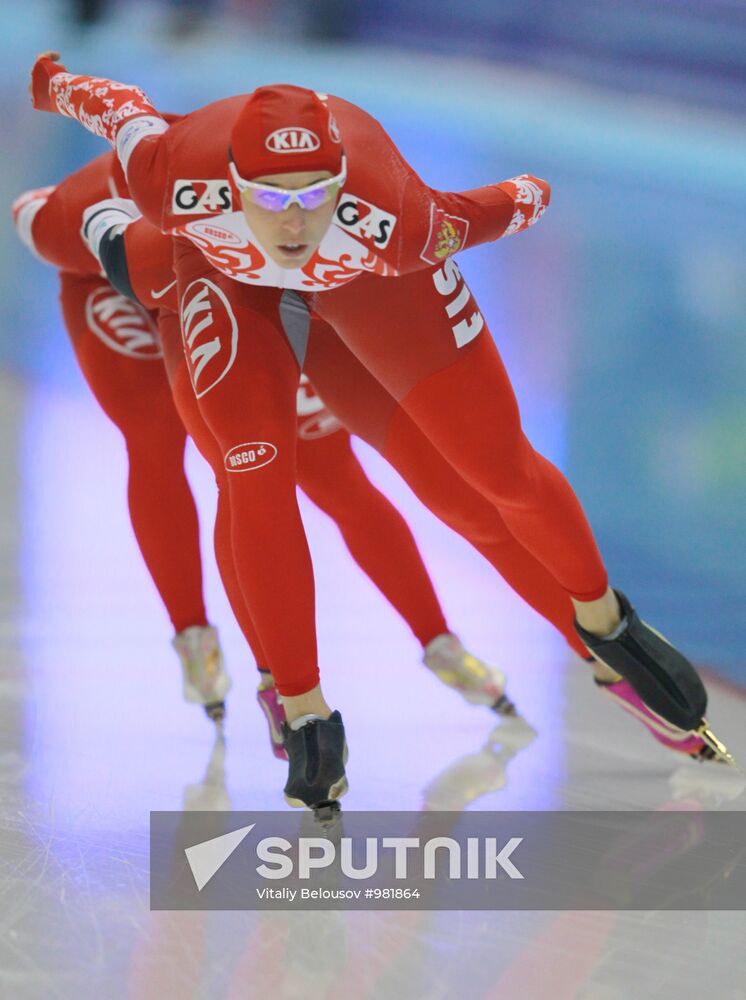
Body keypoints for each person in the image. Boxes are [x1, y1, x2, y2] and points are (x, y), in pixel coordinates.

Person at [30, 54, 735, 809]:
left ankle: (608, 633)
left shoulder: (397, 220)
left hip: (362, 279)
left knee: (484, 479)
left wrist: (531, 193)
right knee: (253, 469)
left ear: (341, 186)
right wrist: (50, 80)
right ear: (231, 186)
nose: (295, 222)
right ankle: (303, 712)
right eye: (272, 197)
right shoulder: (165, 181)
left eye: (315, 197)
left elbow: (500, 206)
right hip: (217, 279)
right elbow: (106, 105)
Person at [11, 153, 232, 721]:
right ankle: (193, 634)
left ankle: (281, 670)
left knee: (254, 454)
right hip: (106, 279)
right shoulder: (70, 219)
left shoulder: (244, 176)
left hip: (202, 274)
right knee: (155, 439)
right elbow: (28, 209)